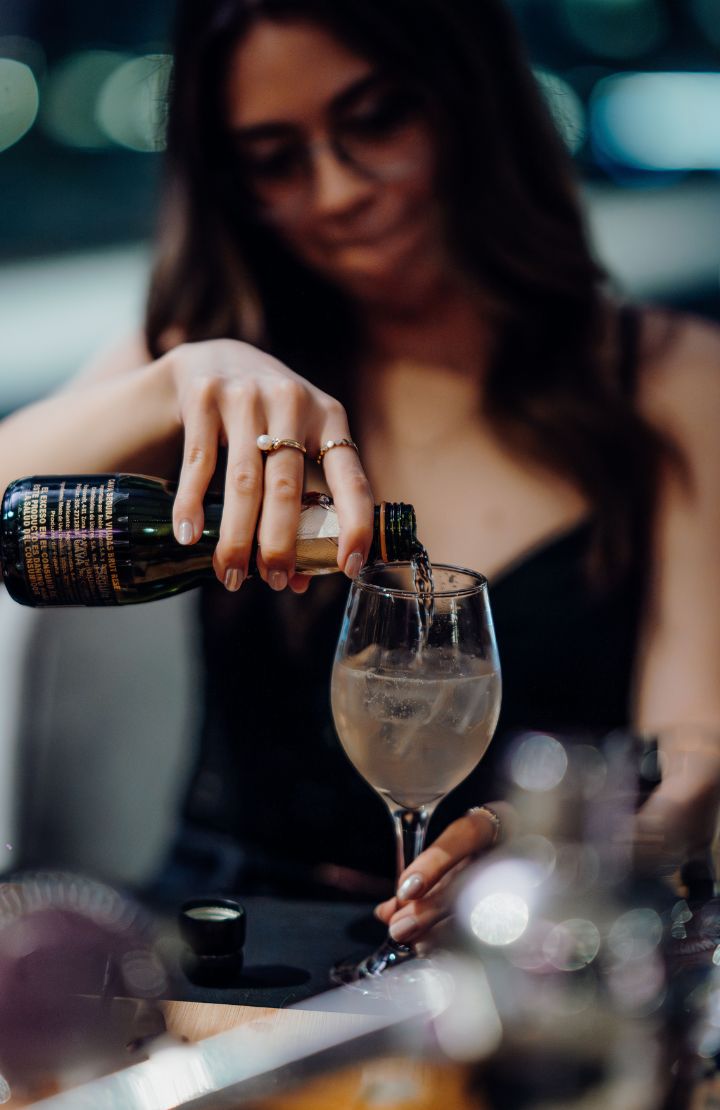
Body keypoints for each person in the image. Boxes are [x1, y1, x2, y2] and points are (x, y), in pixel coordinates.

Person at [1, 0, 720, 947]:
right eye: (275, 160)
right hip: (230, 942)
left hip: (522, 944)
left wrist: (569, 845)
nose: (337, 191)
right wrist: (168, 383)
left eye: (376, 121)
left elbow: (691, 753)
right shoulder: (215, 370)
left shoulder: (669, 381)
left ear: (469, 99)